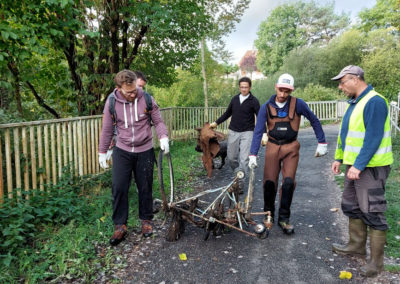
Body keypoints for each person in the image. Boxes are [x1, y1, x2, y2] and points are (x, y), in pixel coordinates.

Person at [330, 65, 393, 277]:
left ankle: (376, 264)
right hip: (354, 166)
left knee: (373, 211)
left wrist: (358, 165)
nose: (340, 87)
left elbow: (373, 138)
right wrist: (340, 158)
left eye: (342, 82)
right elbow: (347, 135)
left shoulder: (375, 101)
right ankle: (356, 246)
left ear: (355, 78)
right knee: (351, 205)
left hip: (371, 168)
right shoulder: (355, 103)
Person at [248, 73, 328, 235]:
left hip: (291, 147)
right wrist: (253, 154)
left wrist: (322, 142)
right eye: (281, 90)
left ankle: (284, 218)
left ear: (291, 91)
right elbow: (258, 131)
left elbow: (314, 120)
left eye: (287, 91)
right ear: (276, 87)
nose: (283, 94)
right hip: (272, 146)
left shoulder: (298, 104)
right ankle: (268, 215)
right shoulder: (266, 106)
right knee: (269, 183)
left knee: (289, 183)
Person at [98, 70, 169, 245]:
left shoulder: (146, 98)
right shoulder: (112, 102)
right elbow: (107, 129)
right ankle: (120, 225)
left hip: (144, 149)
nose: (132, 94)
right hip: (122, 150)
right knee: (119, 187)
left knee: (145, 186)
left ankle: (146, 221)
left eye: (134, 90)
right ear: (118, 88)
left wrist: (163, 136)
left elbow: (158, 122)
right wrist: (102, 151)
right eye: (128, 91)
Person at [210, 77, 260, 177]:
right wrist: (216, 123)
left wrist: (264, 133)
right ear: (239, 87)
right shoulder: (235, 99)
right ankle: (238, 172)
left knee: (244, 158)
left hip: (248, 132)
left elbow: (260, 117)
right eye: (242, 87)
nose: (244, 89)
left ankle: (240, 180)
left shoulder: (254, 101)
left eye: (246, 87)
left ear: (250, 87)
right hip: (233, 131)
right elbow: (227, 113)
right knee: (231, 158)